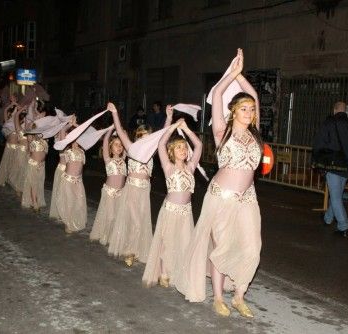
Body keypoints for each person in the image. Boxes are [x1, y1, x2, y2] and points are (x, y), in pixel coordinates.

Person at [175, 49, 262, 318]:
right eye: (243, 108)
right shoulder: (222, 131)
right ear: (233, 112)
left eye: (251, 109)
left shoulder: (256, 135)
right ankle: (218, 297)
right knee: (222, 246)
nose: (249, 112)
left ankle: (239, 296)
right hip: (221, 195)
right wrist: (231, 76)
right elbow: (216, 96)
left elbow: (256, 97)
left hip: (247, 197)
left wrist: (242, 75)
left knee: (252, 246)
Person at [107, 102, 171, 267]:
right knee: (135, 221)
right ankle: (130, 250)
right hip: (132, 189)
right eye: (144, 137)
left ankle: (136, 249)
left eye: (149, 138)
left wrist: (169, 117)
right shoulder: (131, 148)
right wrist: (115, 112)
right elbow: (120, 131)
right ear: (138, 137)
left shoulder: (151, 152)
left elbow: (163, 137)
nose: (147, 141)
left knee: (141, 220)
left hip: (144, 189)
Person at [142, 115, 202, 288]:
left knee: (184, 242)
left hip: (186, 211)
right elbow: (161, 143)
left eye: (184, 147)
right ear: (171, 152)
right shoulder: (168, 167)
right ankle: (163, 272)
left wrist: (187, 129)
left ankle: (178, 271)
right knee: (167, 242)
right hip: (170, 210)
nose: (183, 150)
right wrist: (173, 126)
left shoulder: (191, 167)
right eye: (178, 148)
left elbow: (198, 145)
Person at [312, 101, 348, 237]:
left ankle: (343, 226)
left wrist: (316, 162)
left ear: (334, 110)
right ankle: (328, 218)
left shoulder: (328, 123)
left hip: (332, 165)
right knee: (337, 194)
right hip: (347, 167)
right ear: (346, 111)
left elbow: (319, 143)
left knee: (335, 197)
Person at [89, 127, 127, 245]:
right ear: (110, 148)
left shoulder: (124, 159)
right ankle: (105, 235)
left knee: (117, 216)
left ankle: (113, 237)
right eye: (116, 144)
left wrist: (123, 134)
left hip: (121, 192)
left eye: (121, 145)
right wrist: (111, 129)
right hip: (109, 192)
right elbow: (105, 140)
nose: (119, 147)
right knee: (110, 216)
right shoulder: (108, 159)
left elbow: (126, 145)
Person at [57, 139, 87, 233]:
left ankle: (74, 220)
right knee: (69, 202)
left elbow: (81, 168)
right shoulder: (67, 152)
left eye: (78, 140)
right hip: (68, 180)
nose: (76, 143)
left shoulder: (82, 152)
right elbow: (61, 143)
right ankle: (68, 223)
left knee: (78, 201)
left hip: (78, 181)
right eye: (74, 141)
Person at [49, 117, 76, 219]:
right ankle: (61, 212)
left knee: (69, 194)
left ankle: (68, 212)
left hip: (71, 173)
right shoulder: (62, 143)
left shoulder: (74, 145)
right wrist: (70, 123)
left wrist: (75, 125)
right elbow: (62, 130)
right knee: (61, 193)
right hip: (62, 170)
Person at [21, 126, 48, 212]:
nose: (38, 135)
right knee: (33, 183)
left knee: (39, 182)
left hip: (42, 165)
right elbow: (29, 152)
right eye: (36, 133)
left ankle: (36, 200)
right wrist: (30, 138)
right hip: (33, 164)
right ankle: (34, 203)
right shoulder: (32, 141)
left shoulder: (44, 142)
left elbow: (45, 154)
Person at [0, 100, 19, 186]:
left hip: (16, 147)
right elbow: (5, 111)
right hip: (9, 146)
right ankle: (3, 179)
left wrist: (18, 108)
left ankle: (10, 179)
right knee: (6, 163)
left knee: (14, 164)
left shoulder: (18, 122)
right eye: (11, 114)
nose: (11, 115)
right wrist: (11, 105)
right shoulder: (8, 122)